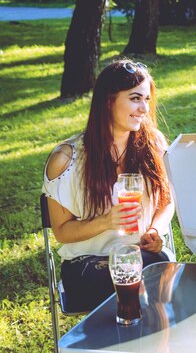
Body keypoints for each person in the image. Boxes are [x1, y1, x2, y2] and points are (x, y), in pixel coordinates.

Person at [42, 60, 175, 311]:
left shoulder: (154, 144)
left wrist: (155, 231)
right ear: (108, 101)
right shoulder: (67, 159)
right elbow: (62, 232)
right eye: (135, 98)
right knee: (138, 286)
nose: (144, 108)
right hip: (88, 264)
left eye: (147, 99)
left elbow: (167, 201)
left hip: (143, 256)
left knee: (164, 271)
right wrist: (106, 221)